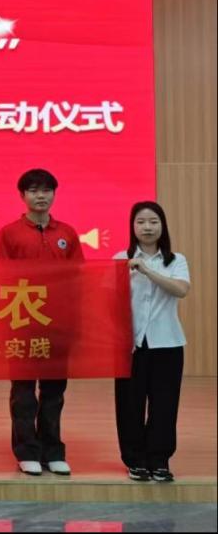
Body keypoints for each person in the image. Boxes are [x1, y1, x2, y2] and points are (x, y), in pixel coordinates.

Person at [0, 168, 83, 476]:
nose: (40, 196)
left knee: (54, 391)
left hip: (59, 325)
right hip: (22, 323)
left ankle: (52, 450)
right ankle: (26, 451)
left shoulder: (67, 233)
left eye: (46, 190)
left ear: (54, 194)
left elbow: (78, 278)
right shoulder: (9, 233)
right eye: (33, 190)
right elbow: (0, 278)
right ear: (22, 196)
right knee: (23, 392)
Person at [113, 201, 190, 483]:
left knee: (164, 404)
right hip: (129, 345)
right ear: (132, 227)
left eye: (153, 221)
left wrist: (147, 270)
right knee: (130, 405)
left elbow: (180, 289)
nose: (147, 227)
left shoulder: (176, 260)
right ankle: (135, 460)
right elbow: (105, 297)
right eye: (141, 222)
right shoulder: (120, 258)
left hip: (167, 343)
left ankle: (159, 460)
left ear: (162, 226)